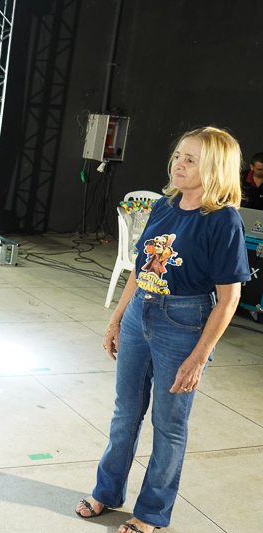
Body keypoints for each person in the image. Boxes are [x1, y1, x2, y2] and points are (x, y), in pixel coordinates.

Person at [74, 127, 250, 532]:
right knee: (125, 413)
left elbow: (229, 299)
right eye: (178, 156)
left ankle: (150, 513)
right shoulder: (164, 205)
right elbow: (140, 270)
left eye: (190, 159)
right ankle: (106, 492)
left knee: (168, 425)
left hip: (184, 324)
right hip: (140, 312)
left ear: (215, 168)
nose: (178, 165)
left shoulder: (223, 220)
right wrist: (118, 318)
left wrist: (199, 357)